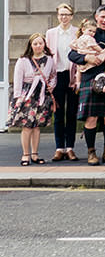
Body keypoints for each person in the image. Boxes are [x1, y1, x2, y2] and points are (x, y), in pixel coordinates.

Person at [70, 13, 105, 166]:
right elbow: (71, 54)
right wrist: (86, 58)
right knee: (92, 117)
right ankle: (91, 152)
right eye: (102, 17)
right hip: (88, 80)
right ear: (97, 18)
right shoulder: (83, 38)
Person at [9, 35, 57, 165]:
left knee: (36, 127)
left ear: (44, 45)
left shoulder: (50, 60)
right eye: (35, 44)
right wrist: (18, 98)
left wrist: (51, 85)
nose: (38, 46)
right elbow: (17, 80)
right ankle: (25, 154)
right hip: (27, 96)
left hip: (42, 95)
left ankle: (35, 154)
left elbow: (53, 75)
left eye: (40, 43)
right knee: (27, 126)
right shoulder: (23, 60)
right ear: (30, 45)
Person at [45, 2, 80, 162]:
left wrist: (78, 78)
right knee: (58, 114)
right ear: (57, 16)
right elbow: (47, 57)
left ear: (71, 16)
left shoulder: (77, 32)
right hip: (57, 76)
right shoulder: (51, 33)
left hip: (72, 76)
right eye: (61, 14)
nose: (64, 17)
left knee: (71, 113)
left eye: (67, 14)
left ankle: (70, 148)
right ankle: (59, 148)